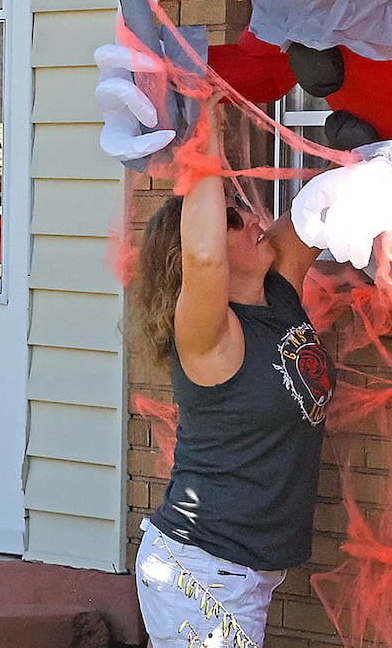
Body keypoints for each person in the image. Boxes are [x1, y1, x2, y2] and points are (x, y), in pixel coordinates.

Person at [130, 96, 335, 648]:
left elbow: (324, 209)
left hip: (238, 573)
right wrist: (205, 131)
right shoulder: (207, 335)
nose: (253, 220)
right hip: (201, 571)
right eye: (231, 217)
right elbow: (202, 261)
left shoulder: (279, 292)